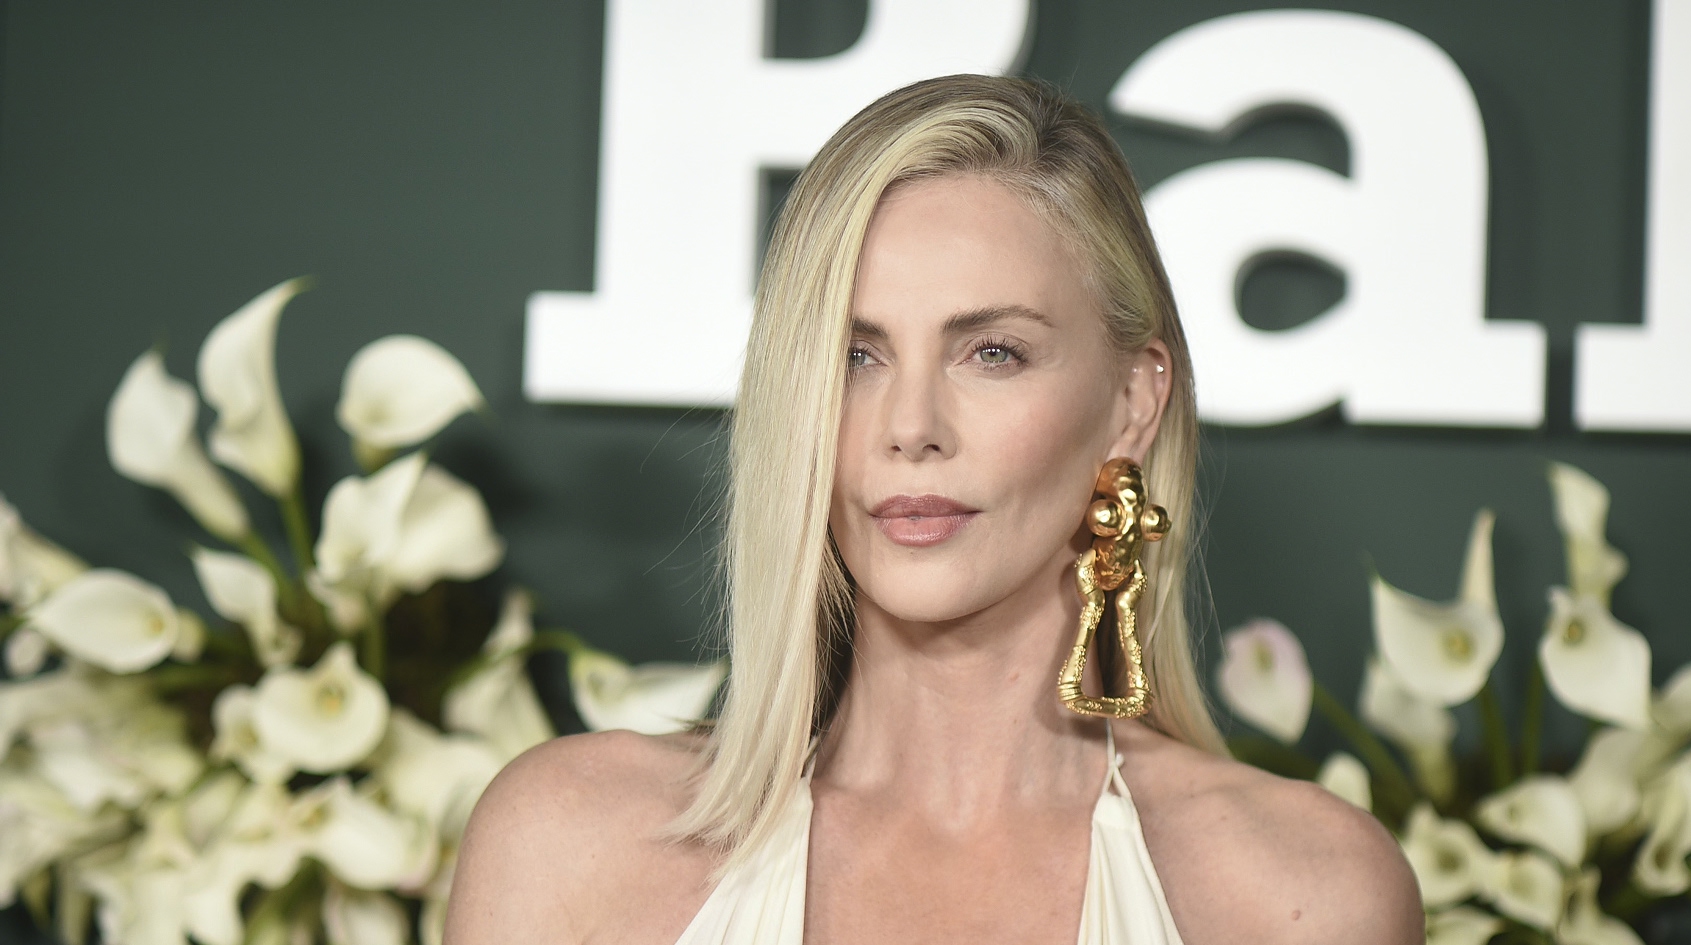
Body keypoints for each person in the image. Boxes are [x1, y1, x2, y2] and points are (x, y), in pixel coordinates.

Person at [445, 74, 1423, 945]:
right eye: (855, 356)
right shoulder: (569, 846)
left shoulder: (1301, 895)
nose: (910, 427)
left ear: (1132, 401)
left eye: (992, 352)